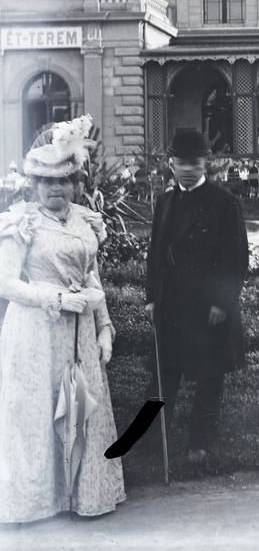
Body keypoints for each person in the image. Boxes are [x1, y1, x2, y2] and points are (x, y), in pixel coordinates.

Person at [0, 115, 125, 522]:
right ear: (33, 186)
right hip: (36, 331)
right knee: (38, 412)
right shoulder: (22, 222)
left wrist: (104, 326)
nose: (56, 189)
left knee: (79, 410)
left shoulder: (84, 220)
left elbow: (90, 274)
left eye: (64, 181)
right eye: (47, 182)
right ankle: (39, 503)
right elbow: (6, 283)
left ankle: (81, 496)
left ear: (75, 183)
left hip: (80, 333)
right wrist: (54, 298)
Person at [144, 129, 249, 464]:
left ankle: (200, 443)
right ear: (170, 164)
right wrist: (151, 297)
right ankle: (151, 443)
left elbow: (236, 257)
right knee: (163, 376)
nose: (187, 169)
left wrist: (223, 302)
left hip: (208, 308)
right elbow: (155, 254)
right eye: (180, 163)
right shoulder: (165, 201)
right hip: (171, 305)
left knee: (208, 376)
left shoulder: (223, 201)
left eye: (194, 162)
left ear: (206, 162)